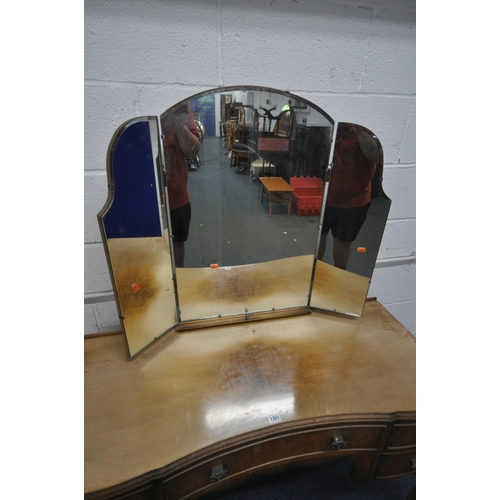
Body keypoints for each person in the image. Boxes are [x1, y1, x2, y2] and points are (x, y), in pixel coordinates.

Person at [318, 123, 380, 269]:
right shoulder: (329, 126)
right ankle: (316, 272)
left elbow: (376, 156)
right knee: (319, 235)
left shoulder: (366, 127)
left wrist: (358, 130)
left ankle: (339, 274)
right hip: (324, 196)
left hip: (354, 201)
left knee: (343, 242)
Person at [161, 103, 201, 267]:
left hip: (176, 195)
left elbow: (192, 150)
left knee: (178, 243)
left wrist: (178, 123)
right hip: (145, 195)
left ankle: (179, 280)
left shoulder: (180, 105)